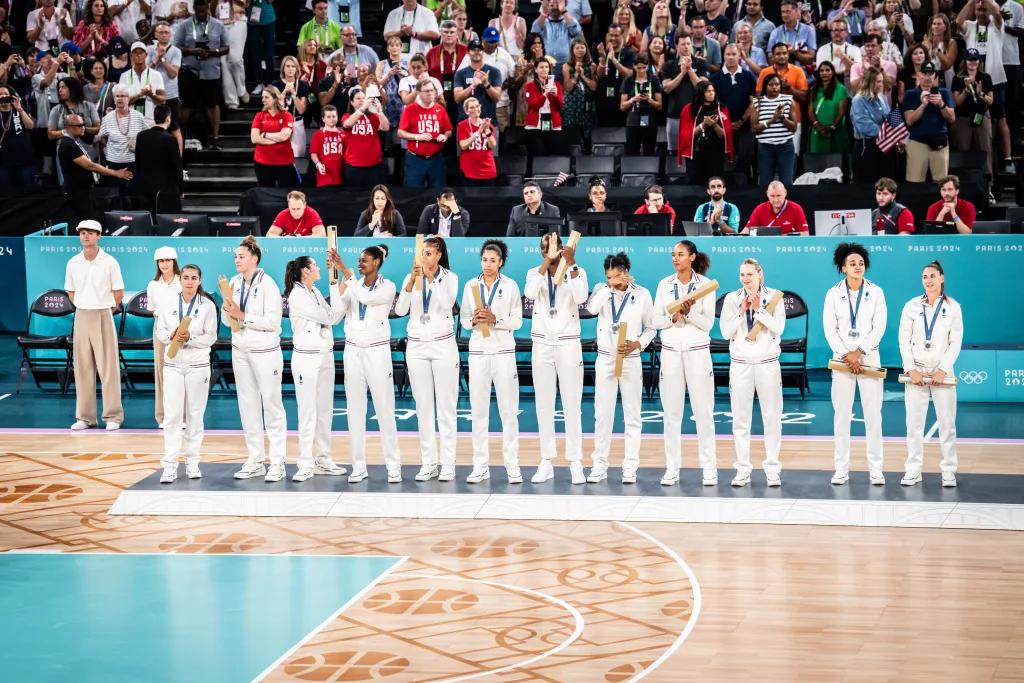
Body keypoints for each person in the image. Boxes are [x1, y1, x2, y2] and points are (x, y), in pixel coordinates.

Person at [334, 244, 403, 482]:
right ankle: (358, 466)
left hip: (377, 351)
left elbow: (366, 297)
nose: (360, 262)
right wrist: (337, 282)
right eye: (359, 259)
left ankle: (393, 465)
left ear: (376, 262)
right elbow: (335, 314)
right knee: (355, 410)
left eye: (365, 260)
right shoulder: (352, 284)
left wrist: (346, 272)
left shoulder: (388, 287)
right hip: (352, 351)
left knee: (385, 409)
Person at [585, 252, 655, 484]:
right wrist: (608, 287)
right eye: (608, 277)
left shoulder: (642, 294)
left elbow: (651, 328)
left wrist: (639, 344)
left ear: (625, 272)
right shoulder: (601, 290)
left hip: (630, 358)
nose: (612, 280)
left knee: (632, 415)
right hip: (605, 358)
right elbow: (591, 309)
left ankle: (630, 466)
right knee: (602, 415)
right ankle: (599, 465)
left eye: (615, 276)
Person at [652, 241, 718, 486]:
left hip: (697, 352)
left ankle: (709, 468)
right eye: (673, 254)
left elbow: (708, 324)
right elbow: (655, 320)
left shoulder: (705, 286)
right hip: (670, 353)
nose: (675, 258)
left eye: (680, 254)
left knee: (703, 412)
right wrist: (673, 317)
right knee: (671, 413)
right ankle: (672, 468)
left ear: (692, 257)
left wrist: (689, 313)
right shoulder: (664, 284)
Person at [525, 232, 588, 485]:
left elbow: (582, 297)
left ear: (562, 247)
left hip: (568, 342)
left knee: (572, 403)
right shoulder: (534, 272)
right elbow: (529, 294)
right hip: (541, 342)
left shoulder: (576, 270)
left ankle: (575, 462)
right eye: (543, 247)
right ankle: (546, 460)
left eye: (550, 246)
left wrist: (570, 263)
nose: (546, 250)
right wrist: (546, 264)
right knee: (544, 404)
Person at [395, 236, 460, 482]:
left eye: (430, 253)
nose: (426, 257)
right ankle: (429, 461)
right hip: (417, 347)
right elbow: (400, 310)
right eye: (423, 253)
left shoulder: (450, 278)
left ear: (439, 255)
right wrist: (412, 281)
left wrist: (430, 279)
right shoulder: (410, 277)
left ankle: (448, 463)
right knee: (423, 406)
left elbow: (446, 304)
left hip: (443, 345)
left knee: (446, 407)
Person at [223, 236, 287, 482]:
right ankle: (256, 459)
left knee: (272, 405)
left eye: (241, 256)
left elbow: (273, 324)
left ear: (254, 259)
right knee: (247, 405)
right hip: (240, 350)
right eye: (235, 256)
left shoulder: (268, 284)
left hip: (265, 352)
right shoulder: (233, 283)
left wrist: (243, 315)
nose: (237, 260)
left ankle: (278, 461)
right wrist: (229, 312)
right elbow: (226, 318)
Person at [823, 242, 887, 486]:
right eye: (852, 263)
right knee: (841, 416)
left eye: (861, 263)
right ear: (843, 267)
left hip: (868, 358)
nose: (857, 267)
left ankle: (876, 469)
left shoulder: (877, 292)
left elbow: (879, 326)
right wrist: (846, 353)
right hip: (842, 362)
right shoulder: (833, 293)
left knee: (873, 416)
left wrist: (859, 351)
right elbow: (830, 330)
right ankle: (841, 469)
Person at [459, 240, 522, 483]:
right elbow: (464, 318)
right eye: (484, 259)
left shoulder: (510, 286)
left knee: (508, 411)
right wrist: (473, 321)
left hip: (504, 352)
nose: (487, 264)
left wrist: (496, 319)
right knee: (478, 411)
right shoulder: (470, 285)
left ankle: (512, 465)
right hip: (478, 353)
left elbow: (517, 321)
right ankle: (480, 465)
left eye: (493, 260)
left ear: (501, 262)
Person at [282, 255, 348, 482]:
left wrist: (339, 289)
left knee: (324, 411)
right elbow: (330, 317)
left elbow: (333, 314)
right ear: (305, 271)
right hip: (306, 359)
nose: (319, 268)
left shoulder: (315, 292)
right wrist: (338, 289)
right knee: (308, 412)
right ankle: (304, 463)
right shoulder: (297, 295)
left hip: (325, 356)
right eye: (315, 266)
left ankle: (323, 459)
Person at [720, 258, 785, 487]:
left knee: (772, 417)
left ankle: (772, 468)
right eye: (742, 275)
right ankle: (743, 469)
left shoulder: (775, 296)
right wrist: (741, 312)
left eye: (750, 274)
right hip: (740, 363)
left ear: (759, 274)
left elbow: (779, 329)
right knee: (740, 418)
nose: (746, 279)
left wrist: (759, 311)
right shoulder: (731, 298)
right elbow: (725, 332)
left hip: (767, 362)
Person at [898, 260, 963, 488]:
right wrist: (910, 369)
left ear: (941, 278)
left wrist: (943, 368)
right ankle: (913, 470)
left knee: (947, 424)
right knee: (913, 425)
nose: (928, 280)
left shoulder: (953, 307)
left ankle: (948, 471)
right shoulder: (911, 306)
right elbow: (903, 339)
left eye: (932, 276)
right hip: (916, 372)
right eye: (925, 276)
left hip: (941, 372)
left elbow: (955, 342)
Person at [156, 263, 216, 483]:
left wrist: (190, 338)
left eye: (194, 278)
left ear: (199, 281)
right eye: (186, 277)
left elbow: (211, 337)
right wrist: (170, 335)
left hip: (197, 365)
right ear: (180, 280)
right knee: (172, 417)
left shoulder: (208, 306)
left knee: (195, 416)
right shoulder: (168, 302)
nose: (190, 282)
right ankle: (170, 465)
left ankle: (192, 463)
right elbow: (160, 331)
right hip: (172, 364)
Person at [65, 220, 125, 432]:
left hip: (103, 314)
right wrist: (83, 307)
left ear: (99, 235)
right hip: (81, 314)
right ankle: (85, 417)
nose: (86, 236)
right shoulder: (73, 262)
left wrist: (105, 310)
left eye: (90, 233)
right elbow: (71, 292)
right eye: (82, 232)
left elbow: (118, 293)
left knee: (108, 368)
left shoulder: (110, 262)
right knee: (82, 368)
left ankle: (113, 416)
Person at [957, 0, 1015, 174]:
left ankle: (1008, 158)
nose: (982, 12)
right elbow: (958, 22)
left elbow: (997, 14)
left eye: (984, 10)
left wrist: (988, 2)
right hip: (972, 80)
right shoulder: (969, 26)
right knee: (976, 118)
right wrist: (971, 2)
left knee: (1001, 119)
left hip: (995, 80)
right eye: (979, 10)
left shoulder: (998, 26)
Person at [58, 113, 133, 220]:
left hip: (83, 191)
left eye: (83, 124)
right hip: (77, 193)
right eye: (79, 125)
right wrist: (116, 173)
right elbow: (90, 166)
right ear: (69, 127)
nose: (83, 127)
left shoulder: (72, 142)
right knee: (84, 223)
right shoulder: (67, 144)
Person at [173, 0, 226, 149]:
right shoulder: (184, 25)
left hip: (211, 71)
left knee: (213, 104)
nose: (201, 13)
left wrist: (212, 52)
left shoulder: (218, 25)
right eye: (199, 10)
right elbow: (176, 46)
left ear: (208, 8)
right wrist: (192, 51)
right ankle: (181, 136)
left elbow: (226, 47)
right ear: (194, 8)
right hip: (190, 70)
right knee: (186, 106)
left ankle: (215, 138)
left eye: (204, 10)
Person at [145, 246, 181, 428]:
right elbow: (153, 310)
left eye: (168, 260)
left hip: (180, 329)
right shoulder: (153, 285)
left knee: (180, 372)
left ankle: (181, 417)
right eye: (161, 261)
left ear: (174, 262)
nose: (164, 264)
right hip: (160, 330)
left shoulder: (183, 282)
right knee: (161, 372)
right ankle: (163, 416)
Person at [903, 63, 955, 183]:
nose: (927, 77)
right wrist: (923, 105)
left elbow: (952, 118)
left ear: (935, 76)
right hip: (917, 143)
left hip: (939, 143)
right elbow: (909, 120)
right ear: (919, 75)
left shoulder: (944, 93)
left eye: (930, 73)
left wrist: (942, 104)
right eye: (924, 73)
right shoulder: (910, 94)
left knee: (942, 183)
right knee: (914, 182)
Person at [711, 44, 756, 179]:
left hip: (744, 128)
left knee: (744, 164)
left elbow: (754, 102)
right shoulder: (715, 78)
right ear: (724, 56)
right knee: (723, 166)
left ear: (739, 56)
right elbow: (713, 104)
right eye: (728, 54)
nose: (730, 57)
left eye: (734, 54)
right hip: (721, 129)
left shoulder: (748, 77)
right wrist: (727, 123)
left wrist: (741, 120)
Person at [397, 79, 452, 187]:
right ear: (418, 93)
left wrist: (444, 136)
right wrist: (418, 136)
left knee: (438, 191)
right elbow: (400, 133)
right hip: (415, 159)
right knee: (412, 192)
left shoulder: (440, 109)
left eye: (432, 90)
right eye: (426, 91)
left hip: (436, 158)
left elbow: (448, 131)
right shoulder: (410, 109)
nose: (430, 93)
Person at [661, 34, 708, 157]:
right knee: (674, 153)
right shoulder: (668, 65)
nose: (686, 47)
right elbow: (667, 88)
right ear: (676, 46)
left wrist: (690, 70)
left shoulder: (700, 63)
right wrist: (682, 73)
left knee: (696, 152)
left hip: (696, 115)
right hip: (675, 115)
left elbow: (703, 88)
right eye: (683, 44)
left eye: (688, 43)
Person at [950, 48, 994, 180]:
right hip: (963, 118)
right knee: (963, 149)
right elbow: (957, 101)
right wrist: (966, 90)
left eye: (975, 59)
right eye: (970, 59)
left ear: (979, 61)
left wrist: (981, 95)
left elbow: (991, 101)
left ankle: (988, 185)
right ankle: (963, 183)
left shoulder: (985, 77)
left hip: (981, 116)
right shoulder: (958, 78)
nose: (972, 62)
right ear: (965, 60)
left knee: (985, 149)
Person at [678, 80, 732, 185]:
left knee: (715, 182)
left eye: (713, 91)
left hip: (716, 154)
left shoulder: (722, 109)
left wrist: (714, 125)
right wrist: (703, 124)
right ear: (700, 93)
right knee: (695, 182)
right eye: (708, 91)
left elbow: (725, 135)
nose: (712, 93)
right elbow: (687, 135)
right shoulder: (689, 109)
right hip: (696, 154)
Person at [132, 104, 183, 213]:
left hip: (145, 188)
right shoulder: (170, 140)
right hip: (165, 189)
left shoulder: (141, 136)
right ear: (168, 118)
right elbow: (177, 167)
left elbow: (138, 162)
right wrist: (181, 189)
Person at [749, 73, 797, 188]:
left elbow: (794, 127)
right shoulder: (757, 102)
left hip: (785, 146)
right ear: (765, 86)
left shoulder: (788, 100)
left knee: (787, 182)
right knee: (765, 182)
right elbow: (754, 128)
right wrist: (772, 119)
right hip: (765, 147)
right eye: (771, 85)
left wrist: (782, 118)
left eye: (777, 84)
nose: (774, 87)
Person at [96, 85, 146, 195]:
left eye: (123, 96)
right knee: (115, 196)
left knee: (133, 195)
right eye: (117, 96)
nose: (119, 98)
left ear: (128, 99)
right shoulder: (107, 118)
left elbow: (148, 135)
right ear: (114, 99)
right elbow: (99, 136)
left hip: (133, 162)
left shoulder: (138, 116)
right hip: (114, 163)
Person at [851, 66, 897, 183]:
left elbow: (888, 117)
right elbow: (864, 126)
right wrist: (888, 133)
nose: (881, 84)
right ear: (869, 82)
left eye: (881, 81)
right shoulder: (858, 100)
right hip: (866, 147)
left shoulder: (882, 98)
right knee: (867, 186)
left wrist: (896, 133)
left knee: (884, 184)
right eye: (878, 82)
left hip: (884, 146)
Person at [341, 84, 388, 188]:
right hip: (354, 165)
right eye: (358, 98)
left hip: (374, 165)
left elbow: (385, 128)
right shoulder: (347, 116)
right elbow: (347, 124)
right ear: (352, 102)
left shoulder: (373, 117)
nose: (362, 100)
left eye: (363, 98)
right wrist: (362, 109)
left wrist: (380, 111)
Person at [147, 22, 184, 154]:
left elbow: (173, 73)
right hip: (152, 95)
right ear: (156, 34)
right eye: (161, 32)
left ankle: (179, 162)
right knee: (152, 127)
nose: (163, 35)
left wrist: (163, 60)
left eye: (166, 32)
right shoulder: (149, 49)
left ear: (170, 35)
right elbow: (145, 71)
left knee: (174, 128)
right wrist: (156, 59)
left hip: (171, 94)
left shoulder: (176, 51)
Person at [250, 85, 296, 187]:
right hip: (262, 163)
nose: (263, 100)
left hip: (284, 162)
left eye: (266, 97)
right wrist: (277, 138)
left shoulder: (286, 115)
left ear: (275, 98)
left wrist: (265, 135)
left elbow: (284, 136)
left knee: (286, 194)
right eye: (262, 97)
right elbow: (254, 139)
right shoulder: (259, 116)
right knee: (265, 195)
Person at [619, 52, 662, 155]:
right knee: (632, 152)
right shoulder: (628, 80)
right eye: (639, 68)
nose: (642, 70)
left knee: (649, 152)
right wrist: (633, 99)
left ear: (647, 66)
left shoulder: (654, 80)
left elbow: (659, 106)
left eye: (644, 67)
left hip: (649, 120)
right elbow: (622, 106)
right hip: (633, 121)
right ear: (634, 66)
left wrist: (649, 100)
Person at [523, 56, 565, 156]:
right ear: (536, 69)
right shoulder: (530, 86)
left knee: (553, 156)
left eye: (547, 67)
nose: (545, 70)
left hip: (553, 124)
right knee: (537, 155)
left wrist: (555, 96)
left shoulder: (556, 85)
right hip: (535, 126)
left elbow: (559, 106)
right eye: (541, 67)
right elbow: (534, 105)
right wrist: (545, 94)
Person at [427, 19, 467, 125]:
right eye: (446, 32)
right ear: (441, 33)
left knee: (459, 130)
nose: (449, 35)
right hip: (438, 99)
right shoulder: (432, 52)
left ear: (457, 33)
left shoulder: (465, 51)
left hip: (460, 99)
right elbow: (426, 75)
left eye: (452, 32)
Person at [808, 61, 850, 154]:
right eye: (821, 71)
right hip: (818, 130)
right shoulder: (814, 89)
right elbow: (810, 111)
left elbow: (841, 111)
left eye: (827, 70)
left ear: (833, 72)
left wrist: (832, 127)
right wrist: (819, 127)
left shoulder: (841, 89)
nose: (824, 73)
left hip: (836, 130)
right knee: (817, 163)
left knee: (836, 163)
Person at [272, 56, 310, 160]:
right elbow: (274, 109)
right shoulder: (275, 85)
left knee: (297, 156)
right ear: (283, 68)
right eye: (287, 66)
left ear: (297, 69)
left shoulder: (302, 85)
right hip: (280, 123)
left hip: (297, 123)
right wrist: (284, 92)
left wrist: (293, 94)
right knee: (280, 157)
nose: (290, 69)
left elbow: (301, 110)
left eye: (293, 66)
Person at [119, 40, 165, 125]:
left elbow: (163, 100)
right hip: (130, 122)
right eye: (135, 53)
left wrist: (152, 95)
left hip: (150, 121)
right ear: (131, 55)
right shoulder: (124, 76)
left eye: (141, 52)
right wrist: (140, 95)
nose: (138, 55)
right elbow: (121, 102)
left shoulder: (156, 75)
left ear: (146, 55)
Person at [0, 85, 36, 188]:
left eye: (6, 94)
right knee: (5, 192)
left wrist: (20, 109)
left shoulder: (18, 109)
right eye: (0, 94)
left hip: (23, 156)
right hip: (3, 159)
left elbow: (30, 126)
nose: (3, 97)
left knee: (26, 190)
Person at [457, 96, 497, 185]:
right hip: (469, 171)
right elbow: (463, 146)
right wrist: (478, 132)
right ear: (467, 111)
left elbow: (492, 145)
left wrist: (486, 129)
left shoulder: (488, 124)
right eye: (472, 107)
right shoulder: (462, 125)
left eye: (477, 106)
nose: (476, 109)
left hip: (488, 170)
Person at [531, 0, 582, 68]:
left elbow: (575, 32)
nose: (555, 8)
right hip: (547, 66)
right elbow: (534, 33)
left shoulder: (570, 20)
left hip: (567, 65)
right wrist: (544, 12)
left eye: (558, 5)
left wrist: (563, 11)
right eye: (552, 5)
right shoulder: (543, 22)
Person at [217, 0, 247, 111]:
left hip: (237, 21)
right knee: (224, 62)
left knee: (235, 59)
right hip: (220, 23)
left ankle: (241, 89)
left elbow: (244, 4)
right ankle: (231, 101)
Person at [308, 104, 343, 187]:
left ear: (337, 117)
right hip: (324, 177)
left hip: (341, 176)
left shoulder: (343, 135)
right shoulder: (317, 135)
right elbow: (313, 153)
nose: (332, 119)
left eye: (334, 116)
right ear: (323, 119)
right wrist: (318, 164)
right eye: (328, 117)